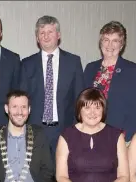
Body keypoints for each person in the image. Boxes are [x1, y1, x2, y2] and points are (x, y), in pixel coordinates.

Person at [20, 15, 85, 158]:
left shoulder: (73, 62)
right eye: (42, 33)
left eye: (50, 32)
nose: (46, 36)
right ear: (37, 38)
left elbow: (80, 99)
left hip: (65, 130)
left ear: (58, 35)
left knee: (62, 176)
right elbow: (22, 100)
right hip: (35, 131)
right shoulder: (26, 64)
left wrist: (78, 129)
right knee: (38, 177)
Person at [56, 88, 129, 182]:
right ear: (79, 109)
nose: (92, 112)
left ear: (103, 110)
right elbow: (61, 177)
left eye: (97, 107)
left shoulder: (117, 136)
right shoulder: (66, 136)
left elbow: (124, 177)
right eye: (87, 107)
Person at [0, 90, 54, 182]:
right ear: (7, 109)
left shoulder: (39, 135)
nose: (19, 112)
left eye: (23, 107)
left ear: (29, 110)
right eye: (15, 107)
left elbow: (47, 170)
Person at [84, 21, 136, 142]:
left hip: (118, 136)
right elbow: (82, 103)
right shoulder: (90, 68)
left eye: (115, 40)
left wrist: (127, 138)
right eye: (106, 40)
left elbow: (135, 109)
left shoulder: (132, 70)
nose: (110, 45)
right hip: (90, 133)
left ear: (121, 45)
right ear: (101, 43)